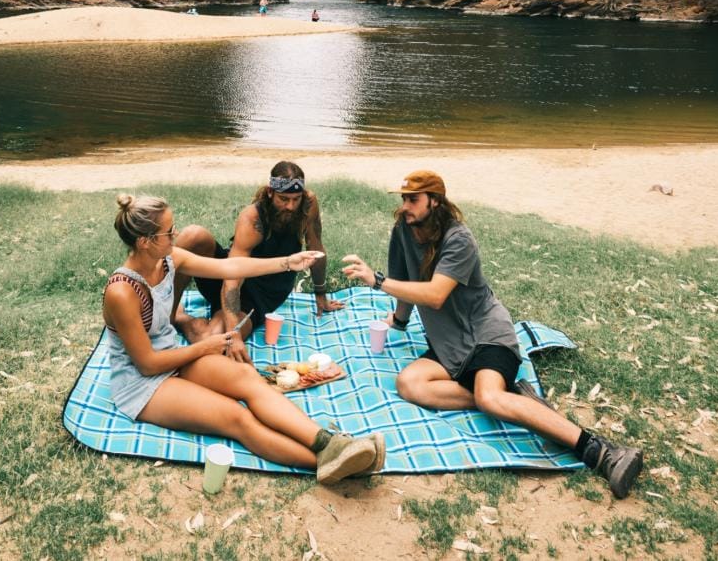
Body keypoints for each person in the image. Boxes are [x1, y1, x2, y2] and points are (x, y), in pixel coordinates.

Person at [342, 170, 644, 499]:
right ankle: (514, 399)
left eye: (413, 199)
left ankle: (602, 452)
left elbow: (434, 294)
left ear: (435, 202)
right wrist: (399, 322)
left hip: (487, 333)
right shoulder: (403, 228)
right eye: (403, 199)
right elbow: (407, 282)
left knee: (489, 397)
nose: (405, 206)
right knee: (408, 384)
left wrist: (377, 280)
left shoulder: (459, 239)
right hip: (448, 342)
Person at [104, 193, 383, 484]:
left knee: (247, 379)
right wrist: (204, 348)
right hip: (141, 383)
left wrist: (288, 262)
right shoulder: (122, 292)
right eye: (168, 231)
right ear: (144, 241)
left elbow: (230, 267)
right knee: (236, 418)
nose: (175, 236)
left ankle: (331, 443)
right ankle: (339, 464)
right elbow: (147, 364)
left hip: (173, 357)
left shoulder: (168, 258)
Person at [173, 161, 344, 364]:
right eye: (284, 199)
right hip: (231, 276)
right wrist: (235, 331)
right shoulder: (252, 218)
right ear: (271, 192)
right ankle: (169, 311)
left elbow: (315, 248)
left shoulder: (307, 204)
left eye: (295, 199)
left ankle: (181, 318)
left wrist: (320, 293)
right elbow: (232, 278)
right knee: (193, 235)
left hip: (262, 294)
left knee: (213, 342)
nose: (290, 206)